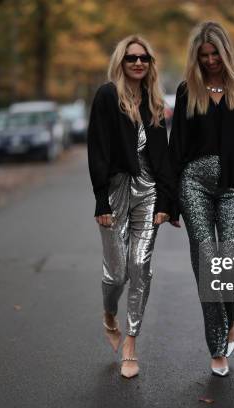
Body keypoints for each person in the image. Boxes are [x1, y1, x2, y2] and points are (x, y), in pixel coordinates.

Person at [169, 21, 234, 377]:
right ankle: (216, 348)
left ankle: (231, 316)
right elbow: (176, 148)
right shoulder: (188, 90)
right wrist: (169, 202)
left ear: (225, 52)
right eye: (204, 55)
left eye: (215, 53)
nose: (211, 60)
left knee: (229, 263)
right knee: (206, 263)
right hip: (193, 185)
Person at [87, 35, 176, 379]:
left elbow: (163, 154)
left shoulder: (154, 100)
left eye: (144, 58)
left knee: (140, 266)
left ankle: (131, 344)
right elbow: (97, 149)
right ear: (121, 63)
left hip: (149, 190)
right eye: (131, 58)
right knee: (116, 273)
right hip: (116, 189)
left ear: (151, 63)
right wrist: (100, 198)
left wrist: (168, 201)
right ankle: (109, 315)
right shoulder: (108, 96)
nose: (138, 63)